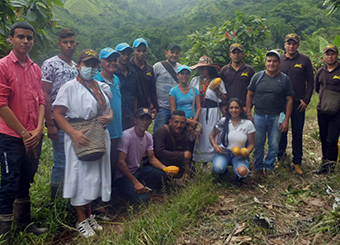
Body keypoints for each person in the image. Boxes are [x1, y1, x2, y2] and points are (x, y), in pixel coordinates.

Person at [53, 49, 113, 237]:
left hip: (98, 135)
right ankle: (81, 220)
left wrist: (109, 118)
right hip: (79, 136)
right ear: (78, 66)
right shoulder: (70, 87)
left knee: (92, 177)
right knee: (81, 177)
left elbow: (108, 110)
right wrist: (73, 133)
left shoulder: (100, 86)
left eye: (94, 65)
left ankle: (89, 215)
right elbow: (58, 113)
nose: (91, 68)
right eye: (87, 64)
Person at [0, 22, 47, 241]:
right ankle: (4, 233)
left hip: (34, 134)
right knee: (10, 180)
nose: (25, 41)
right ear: (11, 39)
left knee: (26, 179)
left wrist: (38, 129)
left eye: (29, 37)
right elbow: (1, 105)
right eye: (21, 37)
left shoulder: (35, 68)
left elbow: (41, 101)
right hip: (11, 137)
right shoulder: (2, 66)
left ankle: (24, 222)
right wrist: (24, 134)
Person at [41, 28, 79, 199]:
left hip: (76, 121)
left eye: (71, 42)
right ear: (59, 44)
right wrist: (50, 123)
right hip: (58, 119)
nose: (69, 45)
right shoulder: (51, 64)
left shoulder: (77, 67)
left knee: (75, 161)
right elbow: (44, 94)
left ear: (76, 44)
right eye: (65, 42)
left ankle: (70, 198)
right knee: (61, 162)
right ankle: (55, 201)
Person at [246, 50, 294, 175]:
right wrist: (248, 113)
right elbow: (249, 95)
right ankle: (258, 167)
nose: (271, 63)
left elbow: (289, 100)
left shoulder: (284, 79)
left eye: (274, 61)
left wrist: (286, 119)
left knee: (274, 144)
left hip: (277, 116)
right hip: (259, 115)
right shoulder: (257, 77)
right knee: (258, 143)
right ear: (265, 62)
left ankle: (269, 167)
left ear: (279, 63)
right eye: (269, 61)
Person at [114, 108, 171, 204]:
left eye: (148, 119)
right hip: (123, 176)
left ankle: (142, 187)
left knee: (163, 175)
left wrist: (166, 169)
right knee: (143, 200)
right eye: (142, 119)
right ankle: (123, 192)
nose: (145, 122)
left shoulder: (148, 137)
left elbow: (152, 158)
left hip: (137, 171)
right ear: (135, 120)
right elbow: (120, 162)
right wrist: (135, 182)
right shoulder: (127, 136)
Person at [277, 33, 314, 175]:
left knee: (297, 133)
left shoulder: (304, 60)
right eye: (289, 43)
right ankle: (280, 159)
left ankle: (297, 162)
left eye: (294, 43)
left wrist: (306, 99)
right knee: (282, 131)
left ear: (298, 45)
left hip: (299, 103)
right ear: (285, 45)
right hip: (282, 104)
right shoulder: (280, 60)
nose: (291, 46)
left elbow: (311, 81)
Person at [190, 56, 227, 164]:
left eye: (203, 68)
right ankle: (198, 161)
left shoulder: (217, 82)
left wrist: (217, 92)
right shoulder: (195, 80)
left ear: (209, 69)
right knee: (199, 135)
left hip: (212, 111)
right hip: (199, 112)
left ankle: (212, 161)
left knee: (211, 134)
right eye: (199, 68)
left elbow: (224, 99)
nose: (201, 71)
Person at [94, 47, 122, 181]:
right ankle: (98, 197)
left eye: (114, 60)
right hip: (103, 130)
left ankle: (111, 194)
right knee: (100, 164)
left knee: (113, 161)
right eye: (108, 60)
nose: (112, 62)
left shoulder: (116, 79)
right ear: (101, 63)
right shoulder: (95, 80)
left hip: (117, 129)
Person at [209, 98, 255, 179]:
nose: (234, 110)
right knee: (217, 168)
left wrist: (246, 153)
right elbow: (211, 135)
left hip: (240, 153)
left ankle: (239, 176)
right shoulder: (223, 121)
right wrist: (215, 145)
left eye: (237, 108)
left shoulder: (248, 124)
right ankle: (223, 170)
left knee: (242, 172)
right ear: (228, 109)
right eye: (231, 108)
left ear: (241, 109)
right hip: (224, 152)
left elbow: (251, 143)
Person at [313, 44, 340, 174]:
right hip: (322, 109)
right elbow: (317, 88)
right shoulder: (320, 71)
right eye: (327, 54)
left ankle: (331, 166)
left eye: (332, 54)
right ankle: (323, 165)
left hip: (337, 111)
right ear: (324, 56)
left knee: (332, 139)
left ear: (337, 55)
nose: (330, 56)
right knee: (323, 137)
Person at [169, 66, 201, 155]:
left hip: (193, 124)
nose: (184, 76)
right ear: (177, 75)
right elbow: (173, 111)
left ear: (190, 75)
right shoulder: (173, 91)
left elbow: (198, 107)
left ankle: (189, 166)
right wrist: (189, 122)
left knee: (191, 146)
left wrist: (194, 122)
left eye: (187, 74)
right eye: (182, 74)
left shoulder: (194, 90)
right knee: (178, 146)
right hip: (179, 124)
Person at [153, 43, 182, 133]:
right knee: (159, 133)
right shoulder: (158, 66)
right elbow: (151, 85)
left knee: (175, 133)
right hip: (162, 107)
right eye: (172, 52)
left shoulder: (181, 68)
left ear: (179, 55)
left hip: (177, 108)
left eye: (177, 53)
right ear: (166, 53)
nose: (174, 55)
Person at [154, 110, 191, 179]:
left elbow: (186, 157)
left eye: (182, 123)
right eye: (176, 122)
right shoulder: (162, 132)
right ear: (170, 122)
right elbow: (159, 152)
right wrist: (181, 155)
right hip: (161, 164)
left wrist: (186, 172)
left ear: (185, 124)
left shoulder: (184, 135)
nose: (179, 125)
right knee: (160, 175)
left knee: (191, 170)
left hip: (174, 164)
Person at [220, 43, 255, 112]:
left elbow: (253, 91)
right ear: (230, 55)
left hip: (243, 108)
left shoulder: (249, 70)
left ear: (242, 54)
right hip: (228, 108)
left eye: (239, 52)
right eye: (234, 52)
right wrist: (222, 106)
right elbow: (221, 88)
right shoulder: (224, 70)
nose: (236, 55)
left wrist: (248, 107)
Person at [129, 38, 158, 117]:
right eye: (138, 50)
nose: (141, 53)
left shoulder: (149, 68)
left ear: (147, 51)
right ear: (134, 51)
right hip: (130, 106)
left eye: (144, 51)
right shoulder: (128, 66)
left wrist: (155, 106)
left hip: (145, 106)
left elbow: (152, 89)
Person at [114, 43, 141, 130]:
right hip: (115, 115)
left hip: (129, 115)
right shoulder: (113, 73)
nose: (125, 56)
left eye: (128, 54)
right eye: (122, 54)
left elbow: (135, 95)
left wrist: (135, 114)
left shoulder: (133, 73)